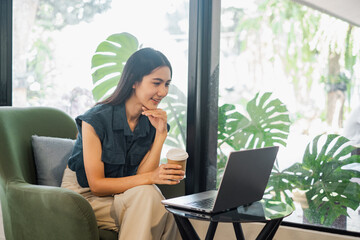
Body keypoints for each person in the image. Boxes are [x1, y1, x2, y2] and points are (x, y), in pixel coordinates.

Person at [61, 48, 184, 240]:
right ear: (134, 81)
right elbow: (97, 186)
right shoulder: (95, 119)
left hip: (124, 193)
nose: (163, 91)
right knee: (154, 204)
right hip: (84, 196)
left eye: (167, 84)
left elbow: (142, 179)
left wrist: (160, 135)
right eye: (157, 83)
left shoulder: (152, 122)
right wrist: (152, 177)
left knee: (156, 202)